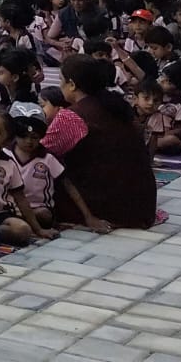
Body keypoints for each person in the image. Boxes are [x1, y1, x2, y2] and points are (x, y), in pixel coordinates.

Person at [53, 53, 155, 230]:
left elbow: (45, 152)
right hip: (141, 204)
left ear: (72, 84)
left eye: (61, 80)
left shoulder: (72, 115)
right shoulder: (119, 106)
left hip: (105, 204)